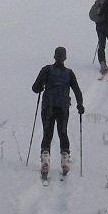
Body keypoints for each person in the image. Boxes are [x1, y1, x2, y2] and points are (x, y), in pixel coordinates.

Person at [32, 46, 84, 180]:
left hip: (48, 107)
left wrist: (41, 87)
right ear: (65, 58)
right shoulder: (69, 73)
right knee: (63, 132)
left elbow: (35, 88)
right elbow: (77, 90)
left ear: (54, 56)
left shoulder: (47, 70)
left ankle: (45, 159)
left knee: (47, 133)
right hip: (63, 108)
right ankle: (65, 160)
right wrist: (80, 105)